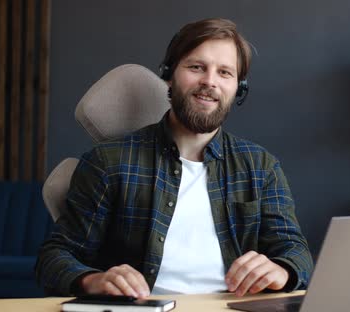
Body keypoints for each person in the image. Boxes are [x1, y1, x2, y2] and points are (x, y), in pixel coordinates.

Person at [35, 18, 313, 298]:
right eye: (196, 67)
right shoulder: (108, 163)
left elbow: (296, 251)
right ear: (169, 75)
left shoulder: (261, 167)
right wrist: (93, 281)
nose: (209, 81)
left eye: (225, 73)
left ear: (238, 89)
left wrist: (283, 270)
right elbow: (54, 257)